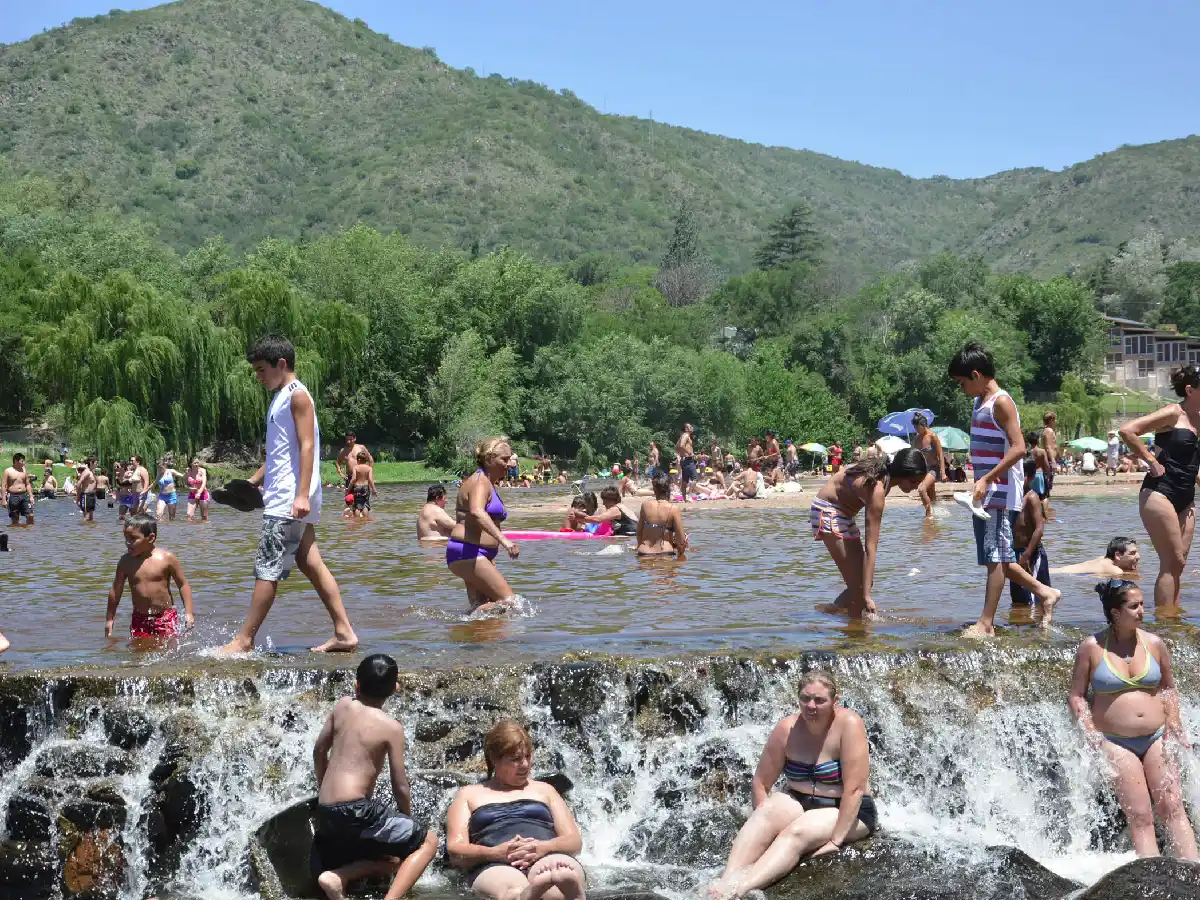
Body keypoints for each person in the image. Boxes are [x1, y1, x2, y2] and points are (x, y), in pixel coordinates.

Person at [221, 335, 358, 655]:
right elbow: (281, 453)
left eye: (261, 369)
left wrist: (301, 496)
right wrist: (252, 481)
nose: (258, 376)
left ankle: (244, 641)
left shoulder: (298, 396)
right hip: (285, 495)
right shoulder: (281, 396)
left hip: (289, 499)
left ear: (281, 364)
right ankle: (344, 633)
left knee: (267, 568)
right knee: (311, 563)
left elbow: (308, 446)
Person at [710, 672, 876, 899]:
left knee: (798, 831)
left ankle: (739, 890)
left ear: (835, 701)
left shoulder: (849, 724)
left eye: (820, 700)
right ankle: (725, 881)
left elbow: (854, 790)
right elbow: (761, 782)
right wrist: (766, 828)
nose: (811, 706)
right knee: (766, 812)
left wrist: (836, 840)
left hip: (848, 810)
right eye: (805, 698)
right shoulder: (786, 728)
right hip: (799, 800)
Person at [1068, 580, 1197, 860]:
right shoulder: (1091, 647)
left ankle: (1193, 871)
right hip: (1116, 742)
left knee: (1173, 807)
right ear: (1116, 613)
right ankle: (1151, 875)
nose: (1142, 611)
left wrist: (1174, 719)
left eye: (1142, 604)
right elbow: (1077, 696)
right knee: (1140, 815)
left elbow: (1168, 688)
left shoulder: (1154, 644)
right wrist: (1090, 732)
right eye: (1134, 606)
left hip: (1157, 737)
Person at [950, 342, 1061, 637]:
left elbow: (1019, 448)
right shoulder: (980, 401)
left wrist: (987, 479)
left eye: (962, 383)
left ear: (976, 375)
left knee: (996, 556)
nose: (961, 389)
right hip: (985, 492)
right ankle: (1045, 592)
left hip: (999, 491)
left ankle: (986, 623)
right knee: (997, 556)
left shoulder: (1001, 402)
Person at [311, 654, 439, 900]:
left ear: (356, 684)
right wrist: (409, 823)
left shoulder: (343, 705)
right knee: (427, 842)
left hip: (326, 810)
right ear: (394, 688)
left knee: (391, 860)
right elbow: (399, 785)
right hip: (356, 811)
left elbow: (319, 751)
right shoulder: (391, 727)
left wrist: (323, 793)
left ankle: (338, 877)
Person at [446, 720, 586, 900]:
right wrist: (495, 853)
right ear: (495, 759)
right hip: (494, 863)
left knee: (558, 884)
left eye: (528, 756)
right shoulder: (468, 794)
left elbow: (574, 841)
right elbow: (455, 849)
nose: (525, 764)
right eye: (515, 759)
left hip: (547, 854)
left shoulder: (545, 790)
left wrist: (543, 847)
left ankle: (560, 892)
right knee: (510, 892)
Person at [808, 448, 927, 618]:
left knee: (864, 583)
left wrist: (866, 592)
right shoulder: (877, 489)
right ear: (904, 474)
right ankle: (853, 626)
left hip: (844, 513)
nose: (916, 487)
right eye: (915, 481)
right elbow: (871, 546)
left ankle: (831, 612)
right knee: (859, 588)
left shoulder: (883, 478)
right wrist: (867, 596)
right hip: (828, 510)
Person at [1118, 365, 1200, 611]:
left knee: (1179, 564)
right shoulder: (1174, 412)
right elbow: (1128, 431)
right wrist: (1151, 461)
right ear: (1190, 390)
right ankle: (1165, 622)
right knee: (1171, 560)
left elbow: (1191, 461)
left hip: (1186, 497)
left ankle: (1174, 618)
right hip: (1160, 491)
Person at [447, 438, 521, 613]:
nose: (509, 464)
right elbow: (477, 512)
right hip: (469, 552)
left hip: (477, 553)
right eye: (504, 459)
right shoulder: (480, 481)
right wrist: (505, 541)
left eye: (510, 459)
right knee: (510, 603)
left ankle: (467, 629)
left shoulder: (487, 482)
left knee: (481, 607)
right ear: (489, 459)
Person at [106, 514, 195, 640]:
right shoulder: (125, 562)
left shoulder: (166, 558)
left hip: (165, 616)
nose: (128, 543)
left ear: (151, 538)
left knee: (168, 648)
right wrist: (109, 619)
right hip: (139, 619)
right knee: (139, 649)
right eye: (126, 538)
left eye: (133, 538)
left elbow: (183, 585)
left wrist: (189, 613)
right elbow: (116, 590)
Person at [1011, 456, 1053, 619]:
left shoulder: (1032, 498)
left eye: (1020, 475)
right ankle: (1021, 628)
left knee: (1037, 600)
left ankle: (1042, 627)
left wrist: (1027, 554)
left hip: (1031, 555)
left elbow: (1039, 529)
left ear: (1030, 477)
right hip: (1015, 555)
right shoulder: (1013, 497)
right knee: (1019, 601)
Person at [636, 471, 687, 557]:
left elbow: (639, 531)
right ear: (669, 489)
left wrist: (639, 545)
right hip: (665, 552)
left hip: (644, 552)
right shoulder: (674, 509)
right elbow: (681, 540)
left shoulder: (645, 505)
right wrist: (681, 554)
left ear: (654, 489)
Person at [1051, 536, 1141, 578]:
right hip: (1056, 575)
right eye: (1132, 553)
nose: (1138, 556)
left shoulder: (1103, 559)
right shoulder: (1116, 571)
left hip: (1053, 571)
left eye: (1137, 552)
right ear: (1117, 555)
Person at [911, 413, 945, 519]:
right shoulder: (917, 438)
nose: (916, 430)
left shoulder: (932, 436)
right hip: (923, 470)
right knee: (931, 496)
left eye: (917, 427)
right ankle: (937, 515)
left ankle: (928, 516)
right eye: (914, 427)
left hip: (933, 469)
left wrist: (943, 473)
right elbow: (913, 455)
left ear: (923, 425)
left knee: (922, 489)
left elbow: (940, 455)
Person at [2, 453, 35, 526]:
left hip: (24, 495)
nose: (24, 463)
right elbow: (3, 486)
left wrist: (31, 496)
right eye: (22, 461)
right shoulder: (8, 471)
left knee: (30, 515)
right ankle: (16, 532)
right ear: (16, 461)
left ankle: (30, 532)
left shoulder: (24, 470)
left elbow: (27, 484)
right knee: (15, 519)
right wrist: (4, 500)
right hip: (13, 496)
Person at [346, 451, 377, 519]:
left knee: (357, 506)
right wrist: (374, 489)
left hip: (357, 488)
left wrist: (348, 489)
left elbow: (353, 479)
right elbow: (370, 479)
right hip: (365, 488)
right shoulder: (369, 468)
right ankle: (365, 520)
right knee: (365, 505)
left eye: (357, 459)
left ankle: (357, 521)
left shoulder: (356, 468)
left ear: (359, 459)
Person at [676, 424, 697, 501]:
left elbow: (677, 446)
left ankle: (685, 499)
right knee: (695, 478)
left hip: (684, 460)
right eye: (690, 427)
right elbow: (681, 445)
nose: (692, 427)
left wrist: (680, 454)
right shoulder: (686, 435)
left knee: (685, 481)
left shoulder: (683, 436)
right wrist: (689, 453)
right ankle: (689, 496)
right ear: (686, 429)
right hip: (688, 460)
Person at [1041, 411, 1059, 498]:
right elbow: (1048, 447)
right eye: (1055, 420)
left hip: (1049, 459)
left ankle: (1045, 503)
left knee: (1048, 485)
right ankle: (1044, 503)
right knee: (1047, 485)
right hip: (1049, 460)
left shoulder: (1048, 430)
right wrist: (1053, 461)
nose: (1056, 422)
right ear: (1051, 420)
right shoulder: (1049, 430)